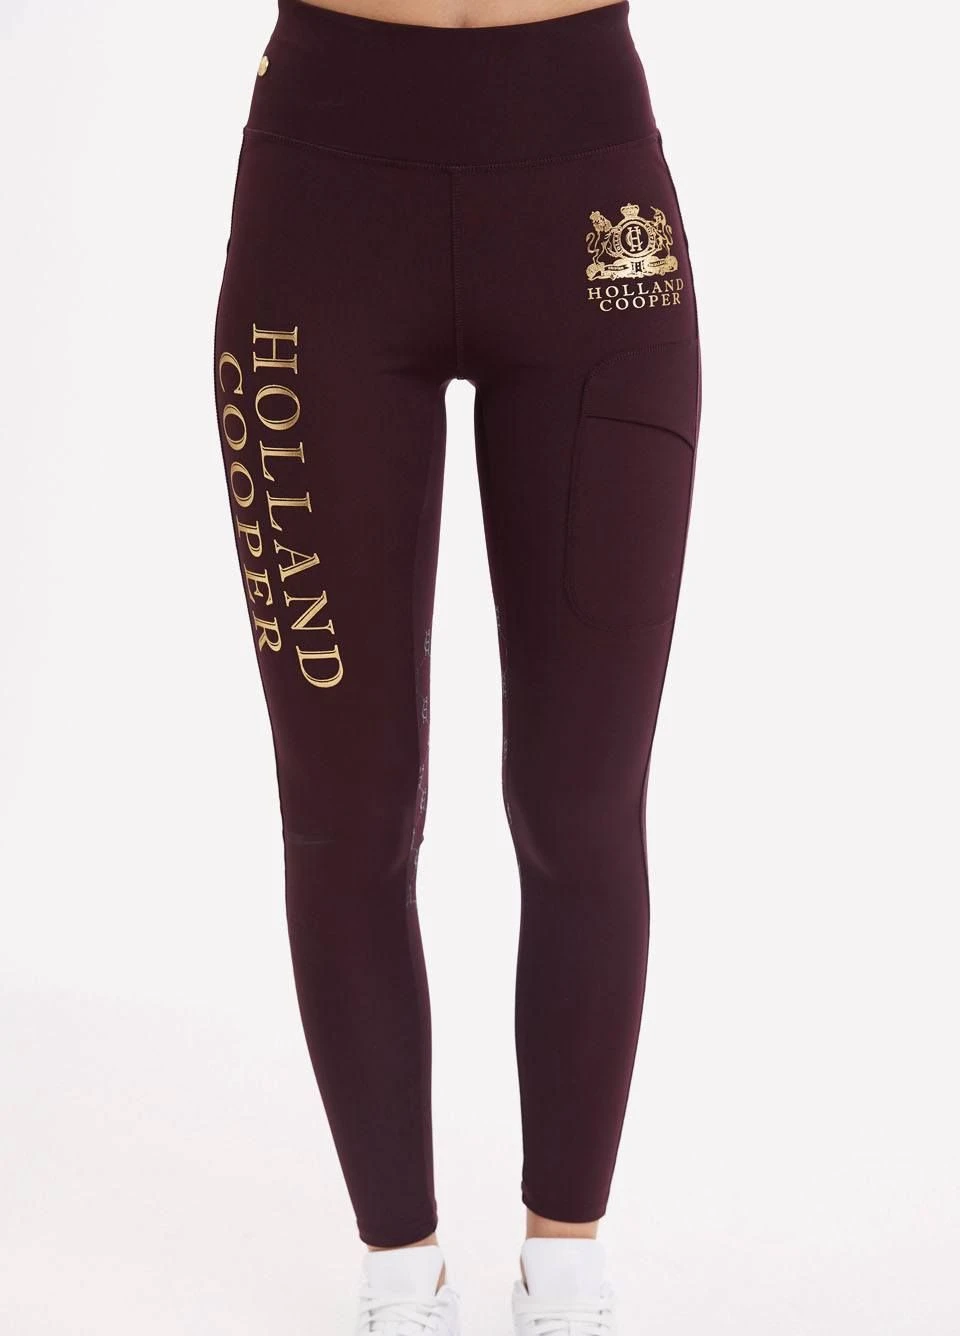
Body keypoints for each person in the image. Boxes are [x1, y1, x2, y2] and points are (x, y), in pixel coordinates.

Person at [212, 0, 701, 1329]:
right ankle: (399, 1278)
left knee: (582, 803)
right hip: (325, 201)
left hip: (588, 200)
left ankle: (566, 1274)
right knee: (346, 813)